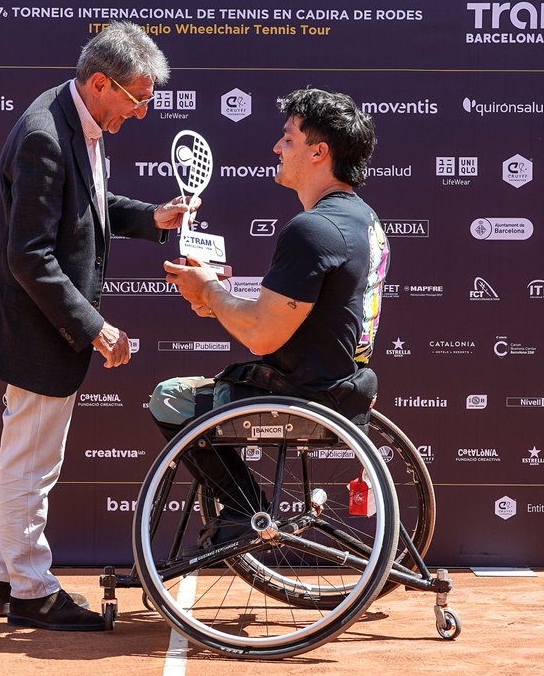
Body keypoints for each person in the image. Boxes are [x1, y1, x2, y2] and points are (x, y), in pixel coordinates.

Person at [0, 21, 197, 632]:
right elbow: (31, 256)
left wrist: (153, 217)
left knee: (27, 453)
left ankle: (7, 578)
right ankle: (31, 593)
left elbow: (91, 207)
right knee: (32, 460)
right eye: (138, 98)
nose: (144, 112)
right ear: (101, 83)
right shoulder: (46, 135)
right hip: (37, 326)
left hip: (41, 322)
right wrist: (97, 327)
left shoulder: (81, 121)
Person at [150, 88, 390, 547]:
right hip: (343, 385)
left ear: (319, 152)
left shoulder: (314, 228)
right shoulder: (364, 218)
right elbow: (292, 315)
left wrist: (210, 291)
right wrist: (213, 296)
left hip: (304, 394)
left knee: (168, 398)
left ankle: (244, 510)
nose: (276, 149)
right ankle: (243, 509)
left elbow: (262, 334)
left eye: (287, 139)